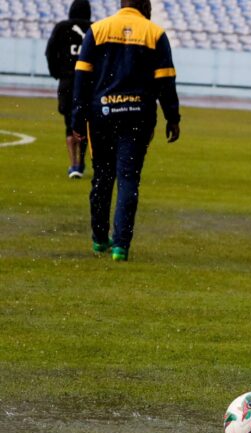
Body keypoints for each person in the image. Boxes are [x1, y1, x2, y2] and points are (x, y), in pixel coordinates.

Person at [71, 0, 180, 262]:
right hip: (138, 118)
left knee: (102, 177)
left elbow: (82, 78)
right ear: (144, 5)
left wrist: (77, 118)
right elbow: (166, 81)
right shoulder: (155, 33)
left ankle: (99, 239)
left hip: (102, 116)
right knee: (129, 179)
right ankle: (120, 246)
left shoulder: (98, 30)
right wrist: (172, 117)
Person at [45, 0, 92, 179]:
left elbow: (50, 52)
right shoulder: (95, 29)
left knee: (68, 124)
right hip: (89, 83)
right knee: (86, 123)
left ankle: (73, 165)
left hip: (68, 82)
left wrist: (57, 73)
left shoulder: (61, 28)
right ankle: (81, 164)